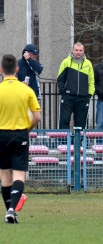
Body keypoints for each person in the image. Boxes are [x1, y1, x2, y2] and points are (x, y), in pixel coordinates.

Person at [0, 54, 41, 223]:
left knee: (5, 177)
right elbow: (37, 117)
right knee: (18, 176)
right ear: (17, 70)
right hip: (20, 134)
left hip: (1, 134)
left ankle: (10, 210)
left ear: (1, 70)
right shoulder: (26, 90)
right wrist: (27, 128)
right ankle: (11, 210)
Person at [57, 42, 95, 132]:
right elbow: (60, 79)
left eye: (80, 50)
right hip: (68, 97)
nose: (78, 52)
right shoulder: (66, 62)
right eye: (76, 50)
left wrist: (89, 94)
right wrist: (63, 92)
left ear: (83, 51)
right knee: (64, 120)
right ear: (72, 50)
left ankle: (78, 144)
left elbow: (91, 80)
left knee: (81, 123)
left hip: (83, 98)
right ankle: (64, 143)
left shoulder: (88, 63)